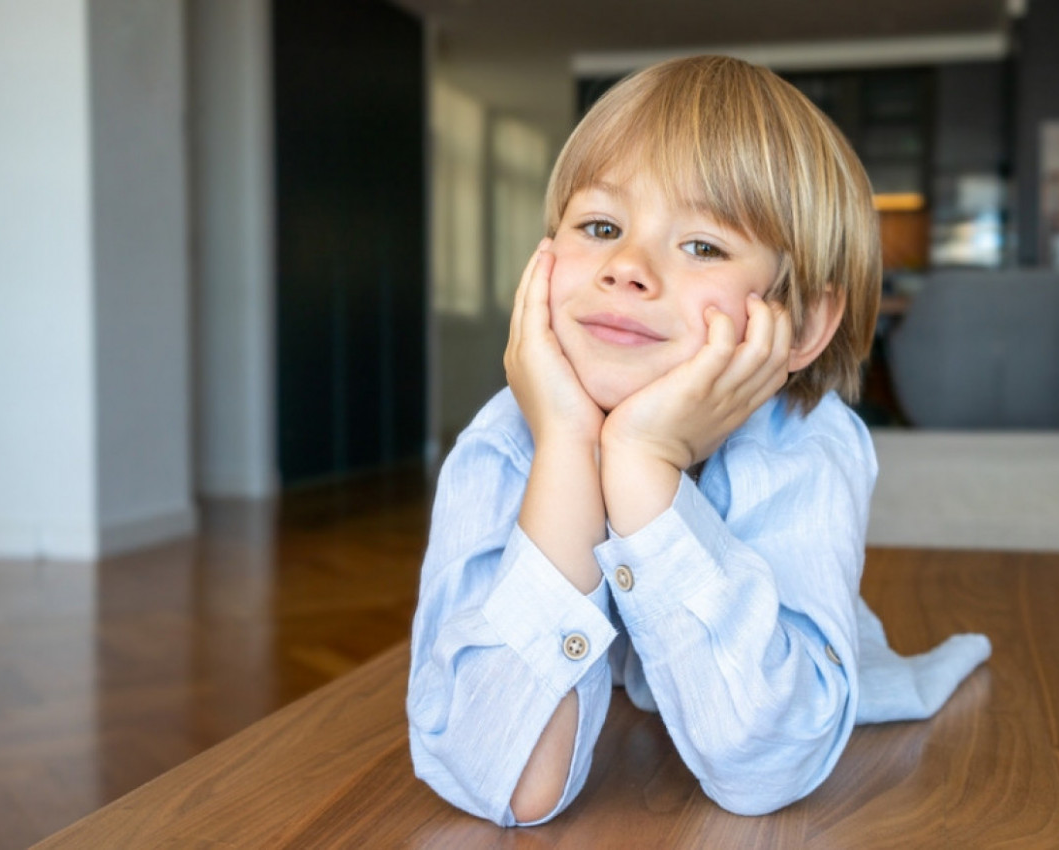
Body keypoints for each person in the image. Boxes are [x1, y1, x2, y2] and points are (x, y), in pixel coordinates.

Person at [407, 55, 990, 827]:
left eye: (704, 246)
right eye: (601, 227)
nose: (626, 268)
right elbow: (507, 781)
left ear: (802, 324)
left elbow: (766, 767)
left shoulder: (803, 445)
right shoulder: (505, 439)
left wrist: (643, 466)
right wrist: (567, 452)